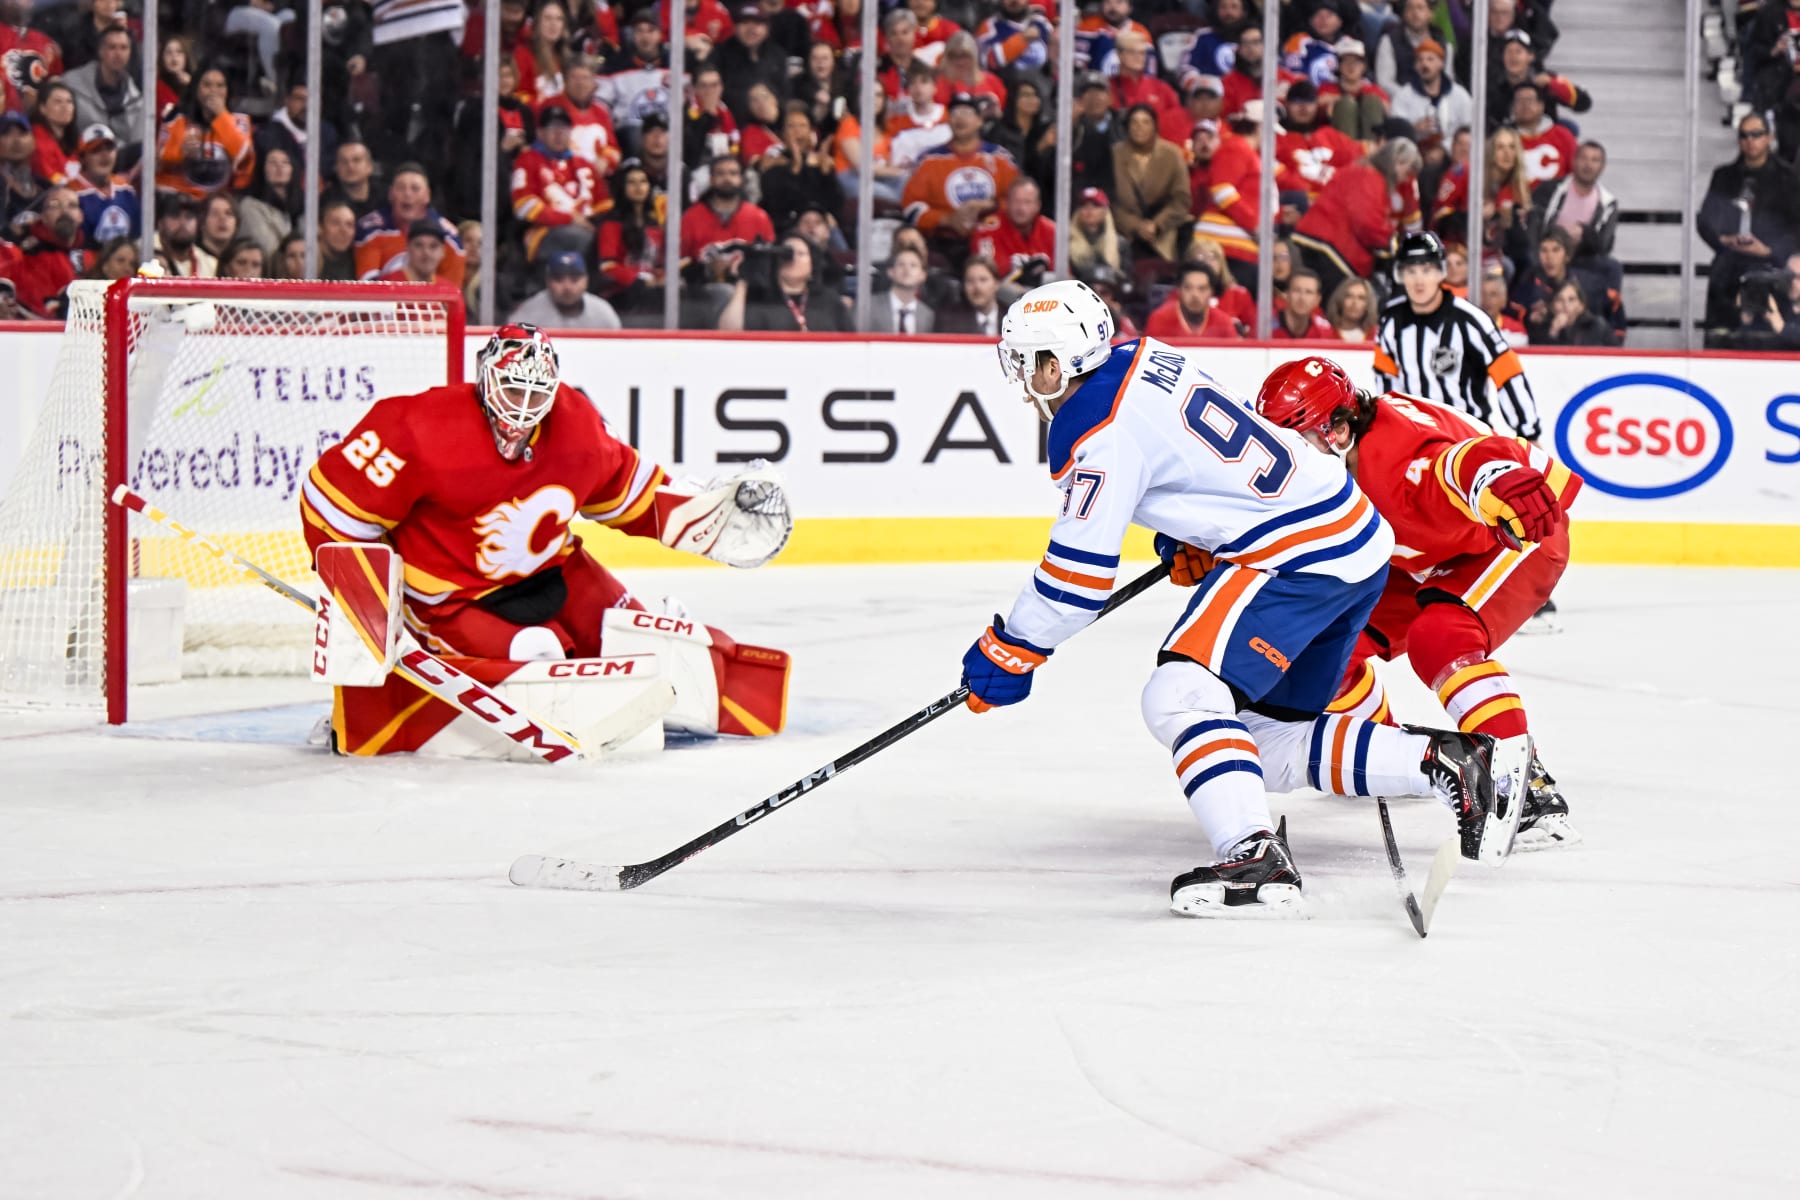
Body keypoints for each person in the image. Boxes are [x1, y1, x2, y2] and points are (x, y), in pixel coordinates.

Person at [962, 281, 1514, 918]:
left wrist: (1010, 647)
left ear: (1056, 365)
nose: (1024, 382)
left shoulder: (1095, 430)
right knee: (1266, 741)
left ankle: (1251, 855)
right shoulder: (1143, 354)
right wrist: (1190, 531)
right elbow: (1200, 453)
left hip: (1293, 551)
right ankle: (1452, 761)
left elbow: (1076, 580)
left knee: (1178, 695)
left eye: (1027, 364)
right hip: (1353, 536)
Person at [299, 323, 792, 751]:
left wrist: (707, 518)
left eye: (537, 394)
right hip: (453, 601)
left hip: (556, 572)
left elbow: (629, 493)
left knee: (638, 634)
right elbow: (331, 510)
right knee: (539, 656)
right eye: (513, 389)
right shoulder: (414, 427)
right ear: (485, 375)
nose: (525, 406)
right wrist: (365, 607)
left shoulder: (575, 423)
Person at [1256, 356, 1581, 850]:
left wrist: (1492, 480)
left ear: (1340, 430)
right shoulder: (1337, 449)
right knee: (1317, 642)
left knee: (1441, 637)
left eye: (1296, 442)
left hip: (1514, 530)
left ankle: (1529, 790)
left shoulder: (1400, 466)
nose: (1286, 457)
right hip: (1428, 550)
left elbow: (1460, 464)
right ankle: (1391, 749)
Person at [1376, 231, 1540, 440]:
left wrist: (1529, 433)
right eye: (1411, 271)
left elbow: (1507, 372)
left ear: (1440, 272)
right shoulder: (1391, 322)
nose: (1418, 280)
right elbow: (1388, 385)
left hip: (1470, 438)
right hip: (1419, 441)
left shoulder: (1470, 320)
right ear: (1401, 275)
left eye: (1426, 270)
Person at [1696, 113, 1800, 338]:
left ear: (1770, 137)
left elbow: (1796, 226)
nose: (1750, 140)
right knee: (1722, 329)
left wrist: (1770, 249)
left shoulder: (1789, 179)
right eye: (1744, 135)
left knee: (1768, 331)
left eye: (1756, 134)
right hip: (1729, 262)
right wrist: (1722, 240)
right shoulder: (1724, 176)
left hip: (1774, 265)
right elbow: (1706, 219)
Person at [1292, 137, 1420, 299]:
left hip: (1324, 242)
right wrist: (1392, 244)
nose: (1406, 179)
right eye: (1408, 172)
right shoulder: (1368, 177)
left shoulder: (1363, 172)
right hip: (1329, 248)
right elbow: (1366, 224)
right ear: (1398, 163)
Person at [902, 93, 1017, 254]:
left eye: (967, 113)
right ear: (948, 121)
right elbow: (911, 208)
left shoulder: (1000, 158)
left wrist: (991, 205)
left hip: (995, 240)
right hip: (943, 244)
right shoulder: (929, 160)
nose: (960, 119)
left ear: (979, 121)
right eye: (955, 113)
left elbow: (1020, 201)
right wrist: (947, 220)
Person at [511, 103, 606, 264]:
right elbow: (522, 206)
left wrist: (597, 224)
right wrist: (568, 218)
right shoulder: (527, 160)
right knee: (581, 238)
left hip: (586, 228)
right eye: (552, 127)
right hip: (543, 232)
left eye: (564, 128)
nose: (559, 133)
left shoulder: (584, 164)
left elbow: (604, 204)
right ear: (540, 133)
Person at [154, 64, 254, 200]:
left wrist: (221, 116)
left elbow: (244, 160)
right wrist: (180, 152)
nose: (214, 91)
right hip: (177, 199)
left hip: (217, 201)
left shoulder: (239, 121)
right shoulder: (176, 118)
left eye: (220, 86)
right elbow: (157, 163)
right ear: (196, 89)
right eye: (207, 85)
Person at [717, 232, 853, 331]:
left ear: (813, 265)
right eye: (787, 253)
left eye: (800, 254)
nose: (792, 259)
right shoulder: (759, 298)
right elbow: (728, 333)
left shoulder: (828, 301)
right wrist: (743, 281)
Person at [355, 164, 466, 284]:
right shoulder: (370, 230)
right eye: (401, 188)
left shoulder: (449, 239)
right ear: (391, 194)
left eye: (415, 189)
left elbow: (450, 294)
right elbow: (368, 290)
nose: (407, 194)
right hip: (386, 301)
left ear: (427, 196)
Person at [1187, 116, 1261, 290]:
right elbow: (1222, 191)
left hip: (1235, 243)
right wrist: (1255, 226)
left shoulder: (1236, 155)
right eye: (1199, 139)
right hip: (1223, 243)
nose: (1204, 143)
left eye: (1209, 138)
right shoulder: (1235, 149)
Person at [1112, 103, 1191, 264]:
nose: (1139, 127)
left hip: (1164, 229)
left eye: (1146, 122)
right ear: (1127, 127)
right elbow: (1109, 200)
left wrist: (1157, 224)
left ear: (1155, 126)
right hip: (1124, 230)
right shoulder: (1114, 155)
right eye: (1134, 122)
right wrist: (1135, 225)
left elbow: (1182, 199)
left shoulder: (1172, 154)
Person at [0, 184, 85, 317]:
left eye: (72, 205)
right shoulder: (31, 255)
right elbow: (41, 311)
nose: (64, 211)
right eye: (55, 205)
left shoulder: (91, 251)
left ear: (81, 216)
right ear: (42, 216)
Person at [60, 26, 142, 162]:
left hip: (120, 165)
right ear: (101, 52)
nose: (118, 54)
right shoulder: (71, 84)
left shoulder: (138, 100)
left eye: (124, 48)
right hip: (80, 159)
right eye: (112, 47)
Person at [597, 162, 667, 315]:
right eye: (632, 182)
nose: (638, 187)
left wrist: (661, 277)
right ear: (623, 187)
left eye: (643, 181)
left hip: (651, 289)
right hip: (622, 292)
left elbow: (659, 264)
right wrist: (638, 280)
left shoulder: (655, 224)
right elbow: (607, 266)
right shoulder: (612, 223)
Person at [969, 176, 1054, 291]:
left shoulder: (1052, 230)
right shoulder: (988, 229)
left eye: (1027, 202)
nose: (1021, 208)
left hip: (1045, 295)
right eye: (1016, 201)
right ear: (1007, 203)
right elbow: (987, 275)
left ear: (1037, 205)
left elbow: (1064, 276)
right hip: (1003, 296)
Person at [1386, 37, 1471, 146]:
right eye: (1420, 60)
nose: (1425, 64)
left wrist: (1444, 148)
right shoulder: (1403, 96)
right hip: (1414, 153)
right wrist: (1413, 130)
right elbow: (1396, 134)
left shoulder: (1460, 95)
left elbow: (1469, 129)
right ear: (1416, 66)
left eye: (1430, 59)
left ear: (1441, 64)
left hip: (1451, 154)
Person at [508, 249, 625, 329]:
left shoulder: (603, 314)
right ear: (548, 281)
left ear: (586, 280)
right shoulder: (527, 316)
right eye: (559, 279)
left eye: (574, 279)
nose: (567, 287)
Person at [68, 123, 136, 244]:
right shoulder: (71, 193)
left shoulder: (126, 190)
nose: (104, 155)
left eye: (109, 148)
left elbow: (137, 235)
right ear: (82, 158)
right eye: (96, 150)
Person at [1143, 262, 1244, 340]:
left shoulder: (1224, 322)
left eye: (1202, 289)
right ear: (1179, 290)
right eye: (1188, 288)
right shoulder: (1159, 320)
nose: (1195, 295)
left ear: (1211, 292)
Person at [236, 146, 304, 257]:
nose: (279, 167)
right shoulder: (250, 207)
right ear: (262, 169)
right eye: (273, 163)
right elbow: (268, 249)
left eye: (285, 163)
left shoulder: (302, 206)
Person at [1509, 82, 1576, 189]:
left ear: (1541, 106)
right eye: (1520, 101)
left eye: (1530, 100)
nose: (1525, 105)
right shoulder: (1504, 137)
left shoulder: (1563, 135)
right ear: (1512, 107)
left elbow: (1576, 174)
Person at [1323, 38, 1389, 141]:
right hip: (1338, 142)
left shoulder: (1373, 89)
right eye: (1346, 61)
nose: (1351, 66)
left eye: (1356, 62)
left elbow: (1388, 109)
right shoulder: (1328, 88)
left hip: (1370, 144)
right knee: (1345, 104)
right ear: (1339, 66)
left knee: (1372, 102)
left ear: (1364, 66)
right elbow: (1318, 104)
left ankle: (1370, 148)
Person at [869, 244, 934, 333]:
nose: (907, 269)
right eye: (901, 264)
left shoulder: (928, 316)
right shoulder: (868, 306)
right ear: (890, 272)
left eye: (913, 265)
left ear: (922, 275)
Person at [1535, 279, 1614, 347]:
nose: (1565, 305)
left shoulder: (1598, 327)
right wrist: (1553, 332)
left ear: (1581, 306)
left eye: (1571, 299)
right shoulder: (1542, 329)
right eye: (1559, 300)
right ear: (1552, 307)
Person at [939, 254, 1004, 336]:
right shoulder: (949, 319)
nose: (977, 287)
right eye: (970, 281)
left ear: (997, 284)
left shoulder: (1014, 318)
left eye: (983, 280)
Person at [152, 193, 214, 278]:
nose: (182, 223)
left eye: (189, 217)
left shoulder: (211, 264)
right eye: (174, 215)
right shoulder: (143, 254)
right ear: (160, 223)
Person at [1272, 269, 1339, 340]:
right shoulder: (1263, 325)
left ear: (1317, 300)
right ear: (1287, 295)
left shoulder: (1325, 331)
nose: (1302, 298)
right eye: (1296, 290)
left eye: (1309, 292)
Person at [377, 220, 448, 284]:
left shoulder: (448, 290)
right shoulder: (389, 284)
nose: (426, 252)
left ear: (443, 251)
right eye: (419, 245)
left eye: (433, 246)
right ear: (407, 249)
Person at [324, 140, 379, 221]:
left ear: (369, 166)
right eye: (343, 161)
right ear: (336, 168)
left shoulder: (388, 197)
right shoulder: (326, 201)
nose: (350, 166)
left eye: (356, 160)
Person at [317, 200, 359, 281]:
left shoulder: (357, 262)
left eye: (349, 224)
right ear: (320, 227)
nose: (343, 230)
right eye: (335, 223)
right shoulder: (305, 260)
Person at [1325, 276, 1377, 341]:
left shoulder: (1377, 335)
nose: (1354, 303)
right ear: (1339, 300)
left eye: (1361, 298)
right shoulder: (1324, 333)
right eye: (1349, 296)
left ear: (1369, 304)